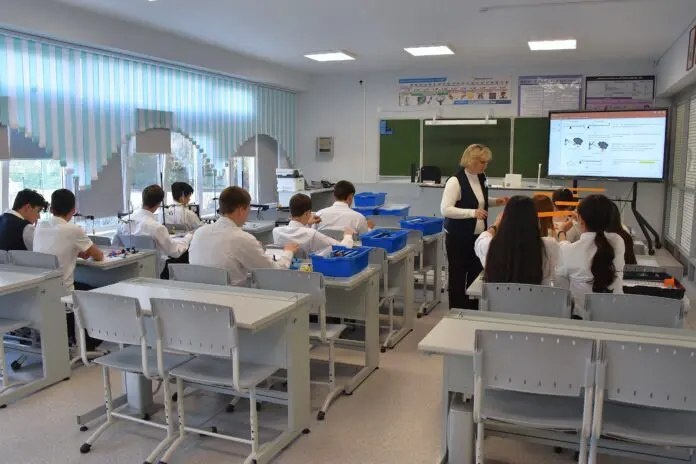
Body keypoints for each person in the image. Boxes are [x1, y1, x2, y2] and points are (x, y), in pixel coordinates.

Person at [33, 189, 104, 349]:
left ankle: (75, 336)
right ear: (73, 210)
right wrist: (80, 251)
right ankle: (88, 340)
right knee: (95, 291)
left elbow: (54, 249)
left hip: (43, 289)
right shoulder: (73, 229)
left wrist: (76, 252)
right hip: (64, 291)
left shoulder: (40, 225)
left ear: (51, 208)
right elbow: (99, 256)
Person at [440, 144, 507, 309]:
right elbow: (445, 209)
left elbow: (479, 201)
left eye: (486, 162)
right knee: (457, 275)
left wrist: (497, 201)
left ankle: (472, 309)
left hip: (477, 236)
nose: (486, 165)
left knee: (476, 274)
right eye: (483, 162)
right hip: (458, 237)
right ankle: (456, 310)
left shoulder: (481, 177)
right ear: (471, 160)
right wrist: (472, 213)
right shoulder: (455, 181)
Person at [189, 186, 299, 286]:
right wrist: (288, 252)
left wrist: (253, 247)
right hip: (233, 297)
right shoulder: (242, 238)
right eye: (248, 210)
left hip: (199, 296)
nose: (248, 215)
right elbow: (274, 272)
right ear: (241, 210)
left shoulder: (199, 233)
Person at [556, 194, 625, 318]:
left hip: (581, 320)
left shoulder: (570, 250)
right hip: (615, 317)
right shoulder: (618, 241)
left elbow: (564, 246)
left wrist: (561, 231)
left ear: (581, 220)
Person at [475, 196, 559, 285]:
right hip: (536, 294)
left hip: (499, 294)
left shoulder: (490, 246)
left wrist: (495, 225)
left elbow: (483, 237)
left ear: (504, 220)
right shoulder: (548, 246)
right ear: (535, 219)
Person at [113, 184, 192, 278]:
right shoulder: (157, 227)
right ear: (159, 203)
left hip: (130, 270)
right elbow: (175, 252)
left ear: (143, 199)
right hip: (155, 270)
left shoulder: (123, 221)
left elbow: (115, 246)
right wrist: (188, 238)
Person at [273, 193, 354, 256]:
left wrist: (307, 223)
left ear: (291, 212)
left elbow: (297, 231)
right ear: (307, 213)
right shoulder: (311, 234)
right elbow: (343, 249)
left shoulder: (276, 231)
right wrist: (348, 235)